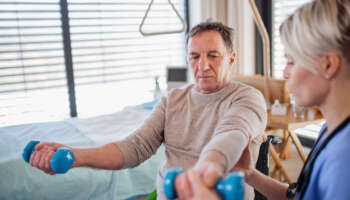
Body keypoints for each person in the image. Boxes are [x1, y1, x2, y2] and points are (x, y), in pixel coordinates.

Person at [29, 22, 267, 200]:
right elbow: (135, 147)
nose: (202, 65)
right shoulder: (172, 99)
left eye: (213, 55)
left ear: (231, 58)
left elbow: (231, 134)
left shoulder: (247, 98)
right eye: (194, 56)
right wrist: (75, 156)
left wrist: (207, 169)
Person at [177, 0, 350, 199]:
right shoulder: (330, 129)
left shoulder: (344, 158)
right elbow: (299, 196)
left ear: (328, 65)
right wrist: (250, 174)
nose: (285, 73)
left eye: (291, 62)